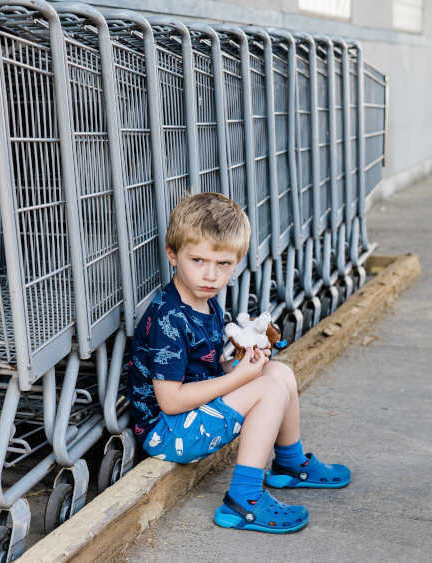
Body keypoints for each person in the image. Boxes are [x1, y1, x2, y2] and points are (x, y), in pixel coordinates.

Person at [128, 192, 350, 533]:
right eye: (198, 260)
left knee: (279, 372)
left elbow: (207, 369)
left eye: (223, 265)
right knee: (268, 391)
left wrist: (244, 367)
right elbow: (170, 401)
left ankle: (290, 464)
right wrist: (241, 379)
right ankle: (243, 501)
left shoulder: (206, 301)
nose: (211, 276)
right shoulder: (168, 319)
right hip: (167, 433)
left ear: (238, 261)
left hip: (192, 414)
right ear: (173, 255)